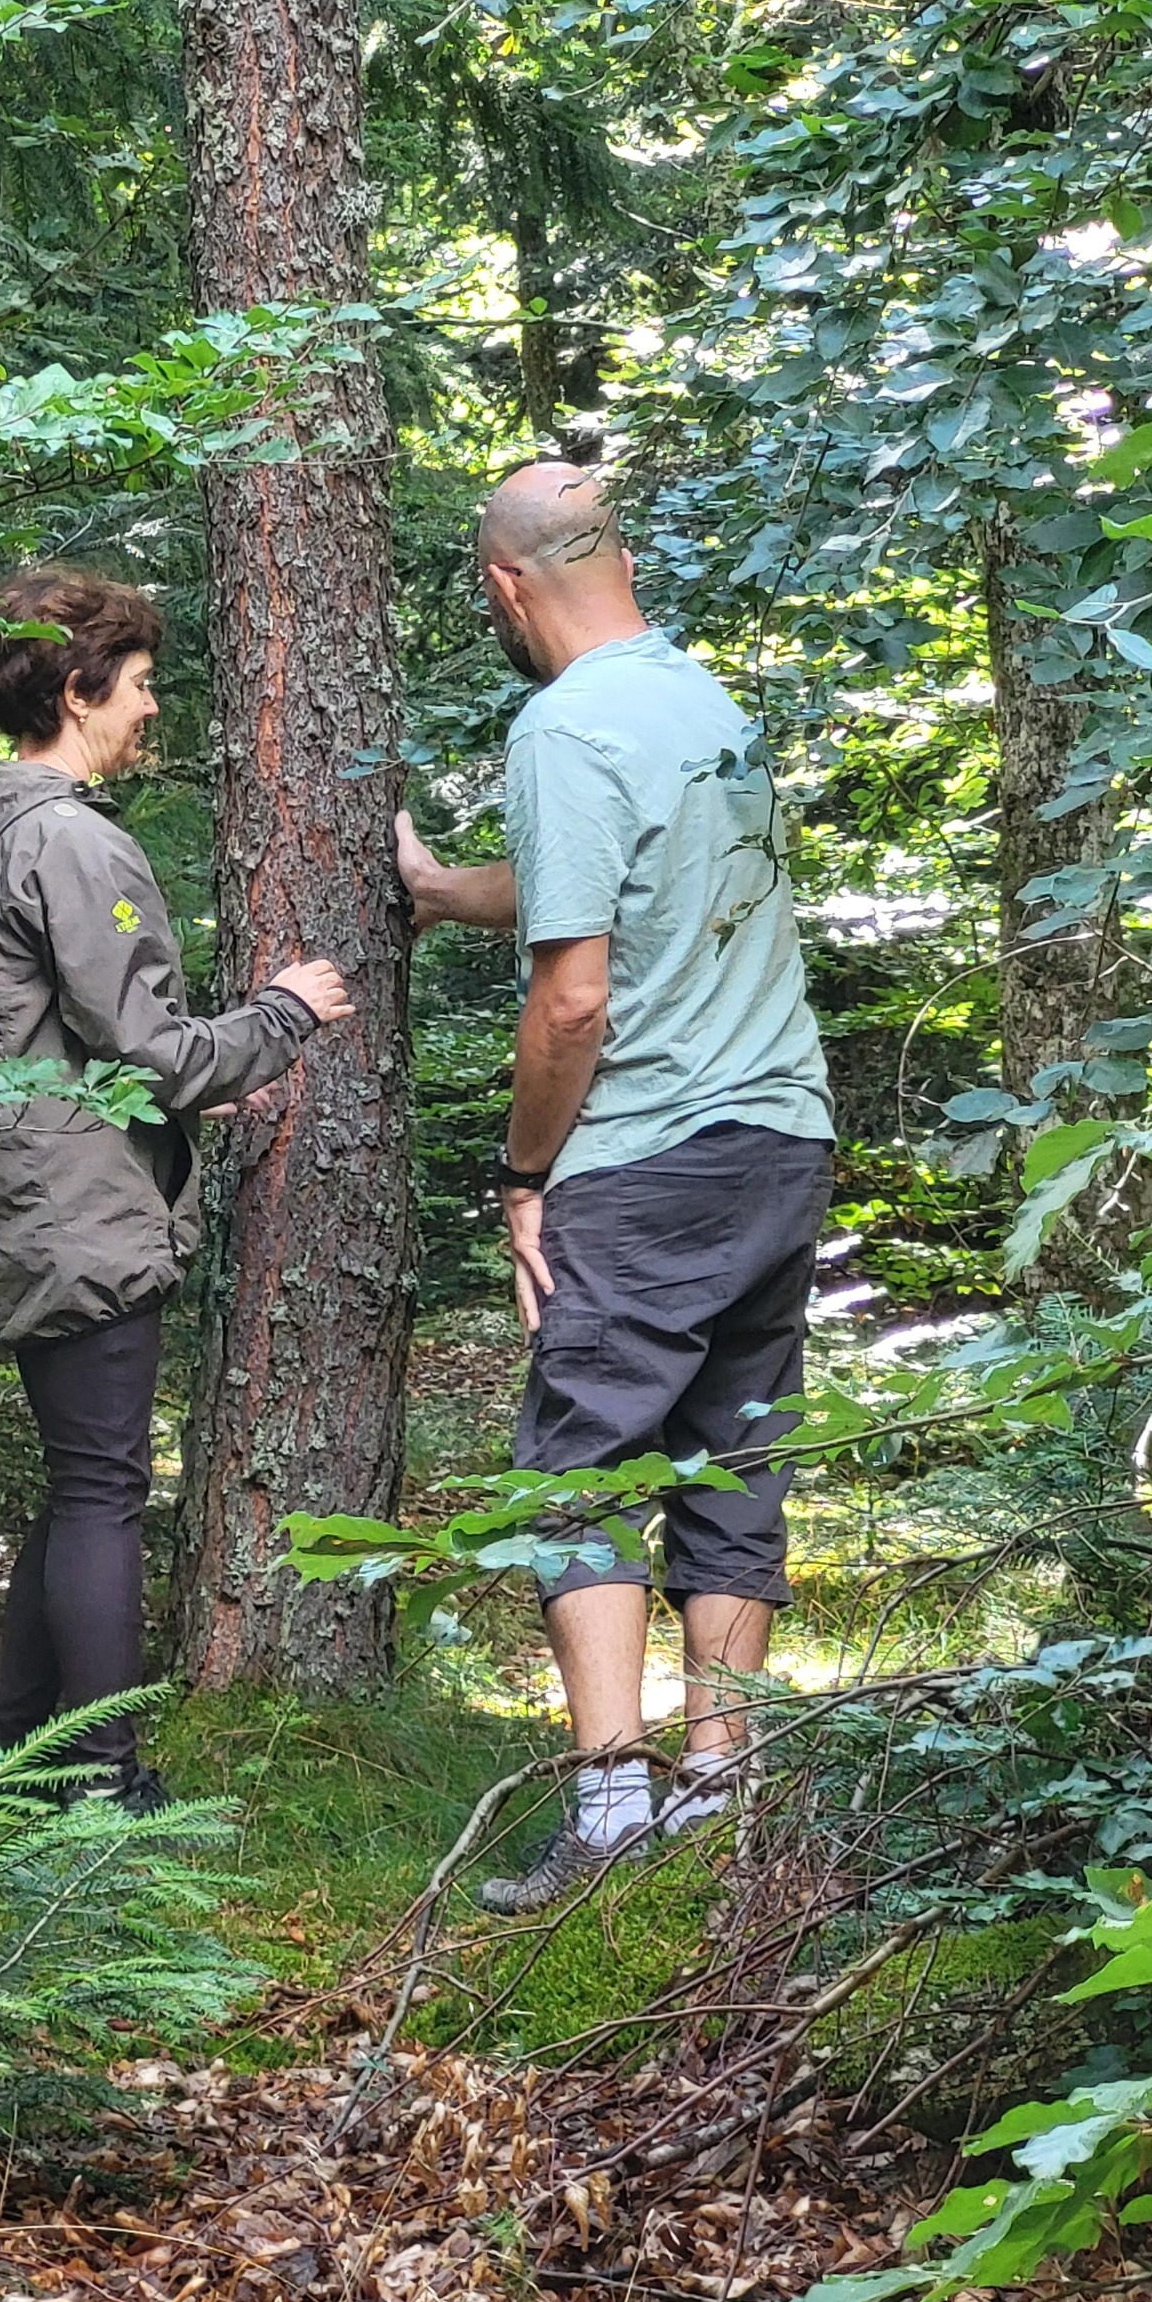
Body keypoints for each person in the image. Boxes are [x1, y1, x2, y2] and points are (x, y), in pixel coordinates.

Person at [396, 465, 835, 1911]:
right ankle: (721, 1795)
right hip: (783, 1140)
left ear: (505, 585)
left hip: (647, 1159)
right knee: (730, 1459)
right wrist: (453, 887)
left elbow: (573, 1000)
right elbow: (623, 879)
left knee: (575, 1472)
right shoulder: (705, 705)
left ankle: (606, 1808)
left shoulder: (565, 722)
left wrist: (525, 1173)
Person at [0, 565, 352, 1812]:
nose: (153, 708)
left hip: (20, 1182)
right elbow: (147, 1042)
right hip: (72, 1203)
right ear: (76, 686)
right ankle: (100, 1779)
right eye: (143, 683)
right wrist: (283, 1013)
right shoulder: (65, 835)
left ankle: (13, 1760)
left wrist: (169, 1087)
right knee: (105, 1485)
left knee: (79, 1478)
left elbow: (46, 1032)